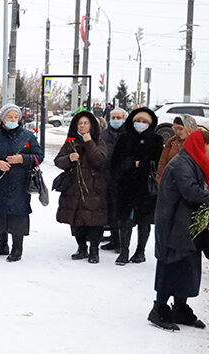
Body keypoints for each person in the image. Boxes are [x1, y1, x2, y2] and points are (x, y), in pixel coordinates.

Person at [148, 129, 209, 330]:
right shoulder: (181, 164)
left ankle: (180, 308)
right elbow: (191, 191)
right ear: (200, 146)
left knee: (187, 267)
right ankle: (159, 309)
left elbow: (205, 189)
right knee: (171, 265)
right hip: (174, 225)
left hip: (187, 226)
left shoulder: (195, 163)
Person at [0, 104, 44, 262]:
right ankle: (2, 245)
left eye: (16, 117)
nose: (13, 120)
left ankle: (17, 248)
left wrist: (22, 159)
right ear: (2, 119)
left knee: (18, 215)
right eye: (10, 117)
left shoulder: (28, 136)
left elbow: (39, 156)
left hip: (20, 183)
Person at [110, 107, 164, 266]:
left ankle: (140, 251)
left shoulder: (156, 140)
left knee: (144, 221)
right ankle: (124, 252)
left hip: (146, 188)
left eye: (144, 122)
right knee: (125, 220)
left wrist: (143, 164)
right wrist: (129, 165)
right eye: (138, 121)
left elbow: (158, 162)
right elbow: (115, 161)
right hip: (126, 186)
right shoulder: (124, 138)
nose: (140, 124)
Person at [54, 111, 109, 264]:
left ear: (91, 126)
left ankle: (94, 250)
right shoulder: (70, 142)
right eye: (80, 123)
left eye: (86, 123)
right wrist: (69, 158)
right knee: (76, 220)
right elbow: (58, 161)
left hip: (94, 188)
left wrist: (89, 142)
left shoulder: (99, 141)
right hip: (74, 188)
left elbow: (99, 160)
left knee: (94, 221)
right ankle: (82, 248)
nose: (83, 126)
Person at [100, 108, 127, 251]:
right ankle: (114, 238)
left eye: (118, 117)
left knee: (121, 211)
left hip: (124, 178)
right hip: (107, 176)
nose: (116, 120)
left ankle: (121, 242)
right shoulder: (103, 135)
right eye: (113, 117)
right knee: (111, 210)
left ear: (124, 118)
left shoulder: (128, 134)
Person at [156, 115, 197, 184]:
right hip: (171, 185)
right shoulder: (172, 142)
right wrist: (161, 180)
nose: (177, 132)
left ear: (189, 128)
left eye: (180, 129)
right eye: (175, 129)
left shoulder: (199, 143)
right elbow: (162, 163)